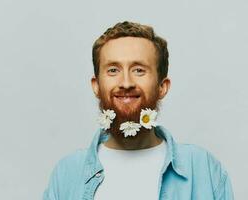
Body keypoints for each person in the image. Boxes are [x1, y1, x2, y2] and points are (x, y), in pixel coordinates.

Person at [43, 21, 234, 200]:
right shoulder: (67, 173)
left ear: (162, 86)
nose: (126, 83)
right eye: (113, 70)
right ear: (96, 86)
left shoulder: (203, 169)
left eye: (139, 70)